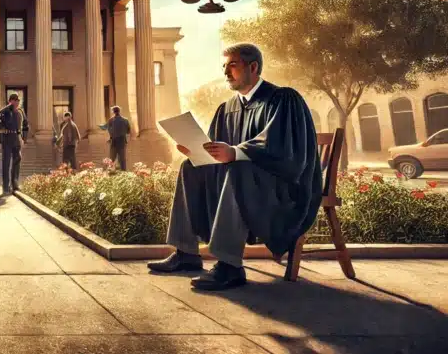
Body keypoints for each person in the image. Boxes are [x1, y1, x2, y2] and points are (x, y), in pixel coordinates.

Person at [147, 43, 322, 291]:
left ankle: (230, 266)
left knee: (239, 167)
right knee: (191, 168)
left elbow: (285, 151)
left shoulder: (283, 99)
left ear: (253, 67)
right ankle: (186, 253)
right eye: (224, 67)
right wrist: (197, 152)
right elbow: (215, 154)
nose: (226, 72)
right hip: (242, 184)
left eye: (233, 65)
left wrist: (236, 152)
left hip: (282, 188)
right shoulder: (226, 108)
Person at [0, 93, 29, 193]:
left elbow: (26, 125)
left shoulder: (20, 112)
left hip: (16, 138)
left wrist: (24, 138)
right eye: (15, 100)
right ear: (10, 101)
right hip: (7, 139)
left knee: (17, 161)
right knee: (6, 162)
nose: (17, 102)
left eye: (18, 101)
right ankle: (5, 186)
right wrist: (2, 129)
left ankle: (15, 184)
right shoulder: (4, 111)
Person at [106, 106, 132, 170]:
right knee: (122, 159)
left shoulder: (111, 120)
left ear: (113, 112)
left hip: (114, 142)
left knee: (112, 158)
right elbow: (128, 131)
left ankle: (110, 172)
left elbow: (109, 130)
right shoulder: (125, 120)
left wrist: (112, 135)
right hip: (122, 141)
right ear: (119, 111)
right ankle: (123, 172)